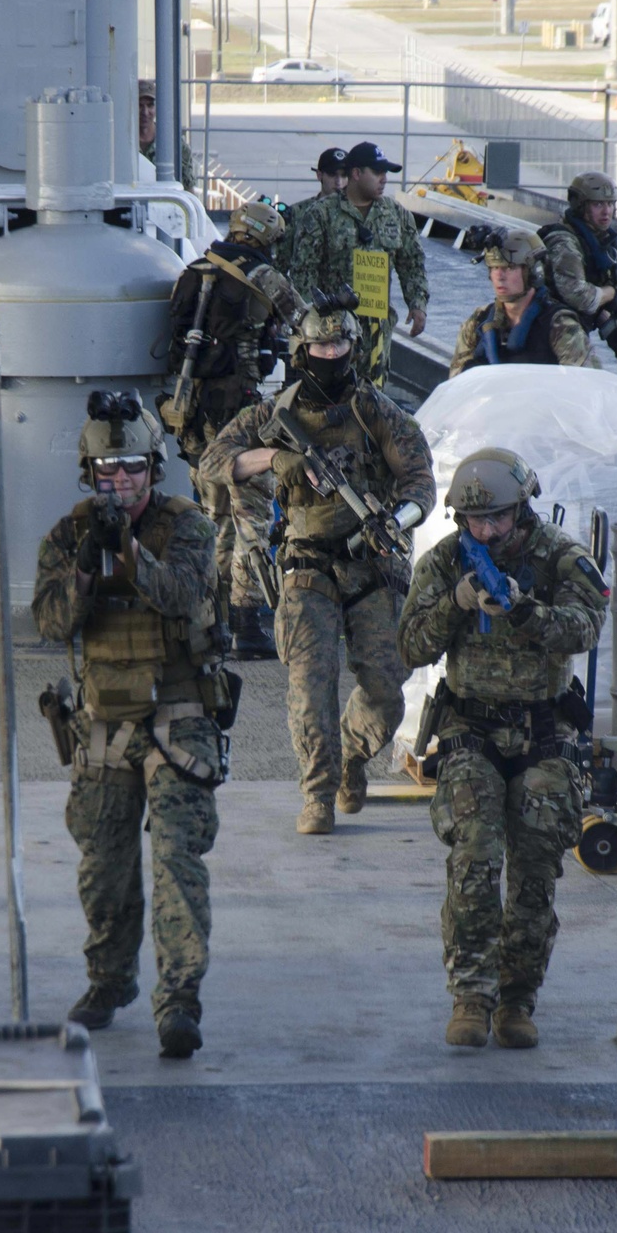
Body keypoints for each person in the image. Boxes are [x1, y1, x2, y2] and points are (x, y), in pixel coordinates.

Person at [32, 390, 234, 1060]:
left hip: (178, 714)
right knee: (104, 866)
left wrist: (128, 550)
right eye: (109, 471)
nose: (122, 483)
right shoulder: (67, 537)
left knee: (177, 860)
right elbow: (52, 623)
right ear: (92, 474)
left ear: (153, 469)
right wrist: (86, 571)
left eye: (134, 470)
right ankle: (108, 981)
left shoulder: (187, 527)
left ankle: (179, 1000)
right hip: (105, 719)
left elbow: (181, 593)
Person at [198, 297, 437, 835]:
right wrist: (281, 459)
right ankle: (318, 793)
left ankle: (352, 755)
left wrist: (397, 518)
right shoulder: (271, 413)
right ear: (301, 350)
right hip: (305, 567)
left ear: (354, 347)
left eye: (340, 344)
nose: (330, 354)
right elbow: (213, 463)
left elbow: (421, 480)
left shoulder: (375, 409)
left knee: (385, 689)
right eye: (320, 346)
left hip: (370, 564)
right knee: (310, 687)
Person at [397, 448, 607, 1050]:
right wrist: (458, 603)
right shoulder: (446, 561)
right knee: (474, 858)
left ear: (523, 509)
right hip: (473, 731)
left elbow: (585, 627)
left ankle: (517, 998)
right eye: (472, 522)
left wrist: (523, 610)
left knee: (537, 868)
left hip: (544, 733)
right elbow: (409, 645)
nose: (484, 532)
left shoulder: (560, 555)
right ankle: (471, 994)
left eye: (496, 520)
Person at [159, 200, 306, 658]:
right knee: (250, 516)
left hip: (190, 413)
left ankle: (210, 619)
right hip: (238, 416)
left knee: (210, 515)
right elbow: (308, 325)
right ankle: (247, 622)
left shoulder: (193, 271)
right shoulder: (263, 276)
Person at [290, 140, 429, 392]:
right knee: (328, 396)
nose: (384, 179)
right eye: (377, 172)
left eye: (386, 173)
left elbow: (412, 262)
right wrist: (310, 318)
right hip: (331, 331)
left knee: (372, 401)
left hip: (376, 330)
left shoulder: (395, 214)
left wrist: (417, 304)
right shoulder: (321, 214)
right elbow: (303, 272)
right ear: (356, 173)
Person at [449, 230, 597, 377]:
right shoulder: (478, 322)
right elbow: (456, 381)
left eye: (510, 267)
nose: (499, 276)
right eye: (494, 267)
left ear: (532, 272)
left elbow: (583, 384)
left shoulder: (560, 326)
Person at [538, 171, 617, 371]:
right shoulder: (564, 242)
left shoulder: (602, 242)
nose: (606, 211)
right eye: (598, 204)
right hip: (551, 328)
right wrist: (611, 293)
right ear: (581, 206)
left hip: (574, 326)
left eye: (610, 204)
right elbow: (580, 296)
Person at [275, 147, 348, 277]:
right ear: (319, 175)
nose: (339, 182)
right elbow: (281, 264)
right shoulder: (297, 213)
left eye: (344, 175)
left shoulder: (356, 215)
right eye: (332, 175)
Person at [139, 78, 196, 193]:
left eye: (150, 106)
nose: (145, 112)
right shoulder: (121, 144)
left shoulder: (176, 145)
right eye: (140, 106)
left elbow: (188, 190)